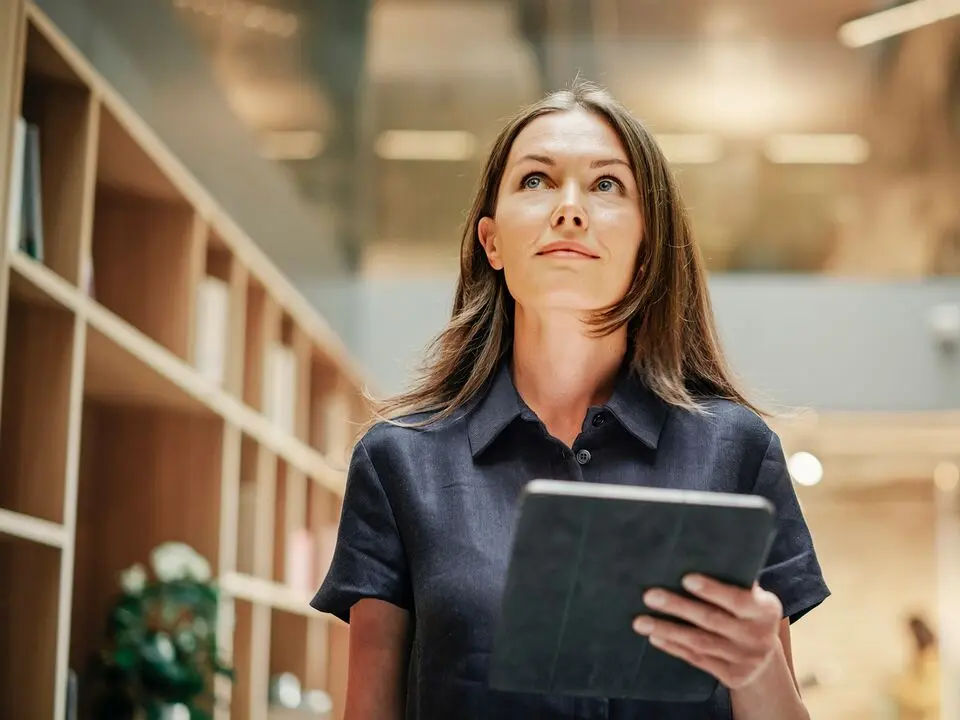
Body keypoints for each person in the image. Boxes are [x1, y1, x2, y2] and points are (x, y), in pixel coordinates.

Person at [310, 79, 830, 720]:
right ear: (491, 240)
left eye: (607, 185)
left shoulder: (739, 453)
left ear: (648, 248)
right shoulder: (399, 463)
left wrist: (758, 667)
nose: (570, 209)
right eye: (536, 180)